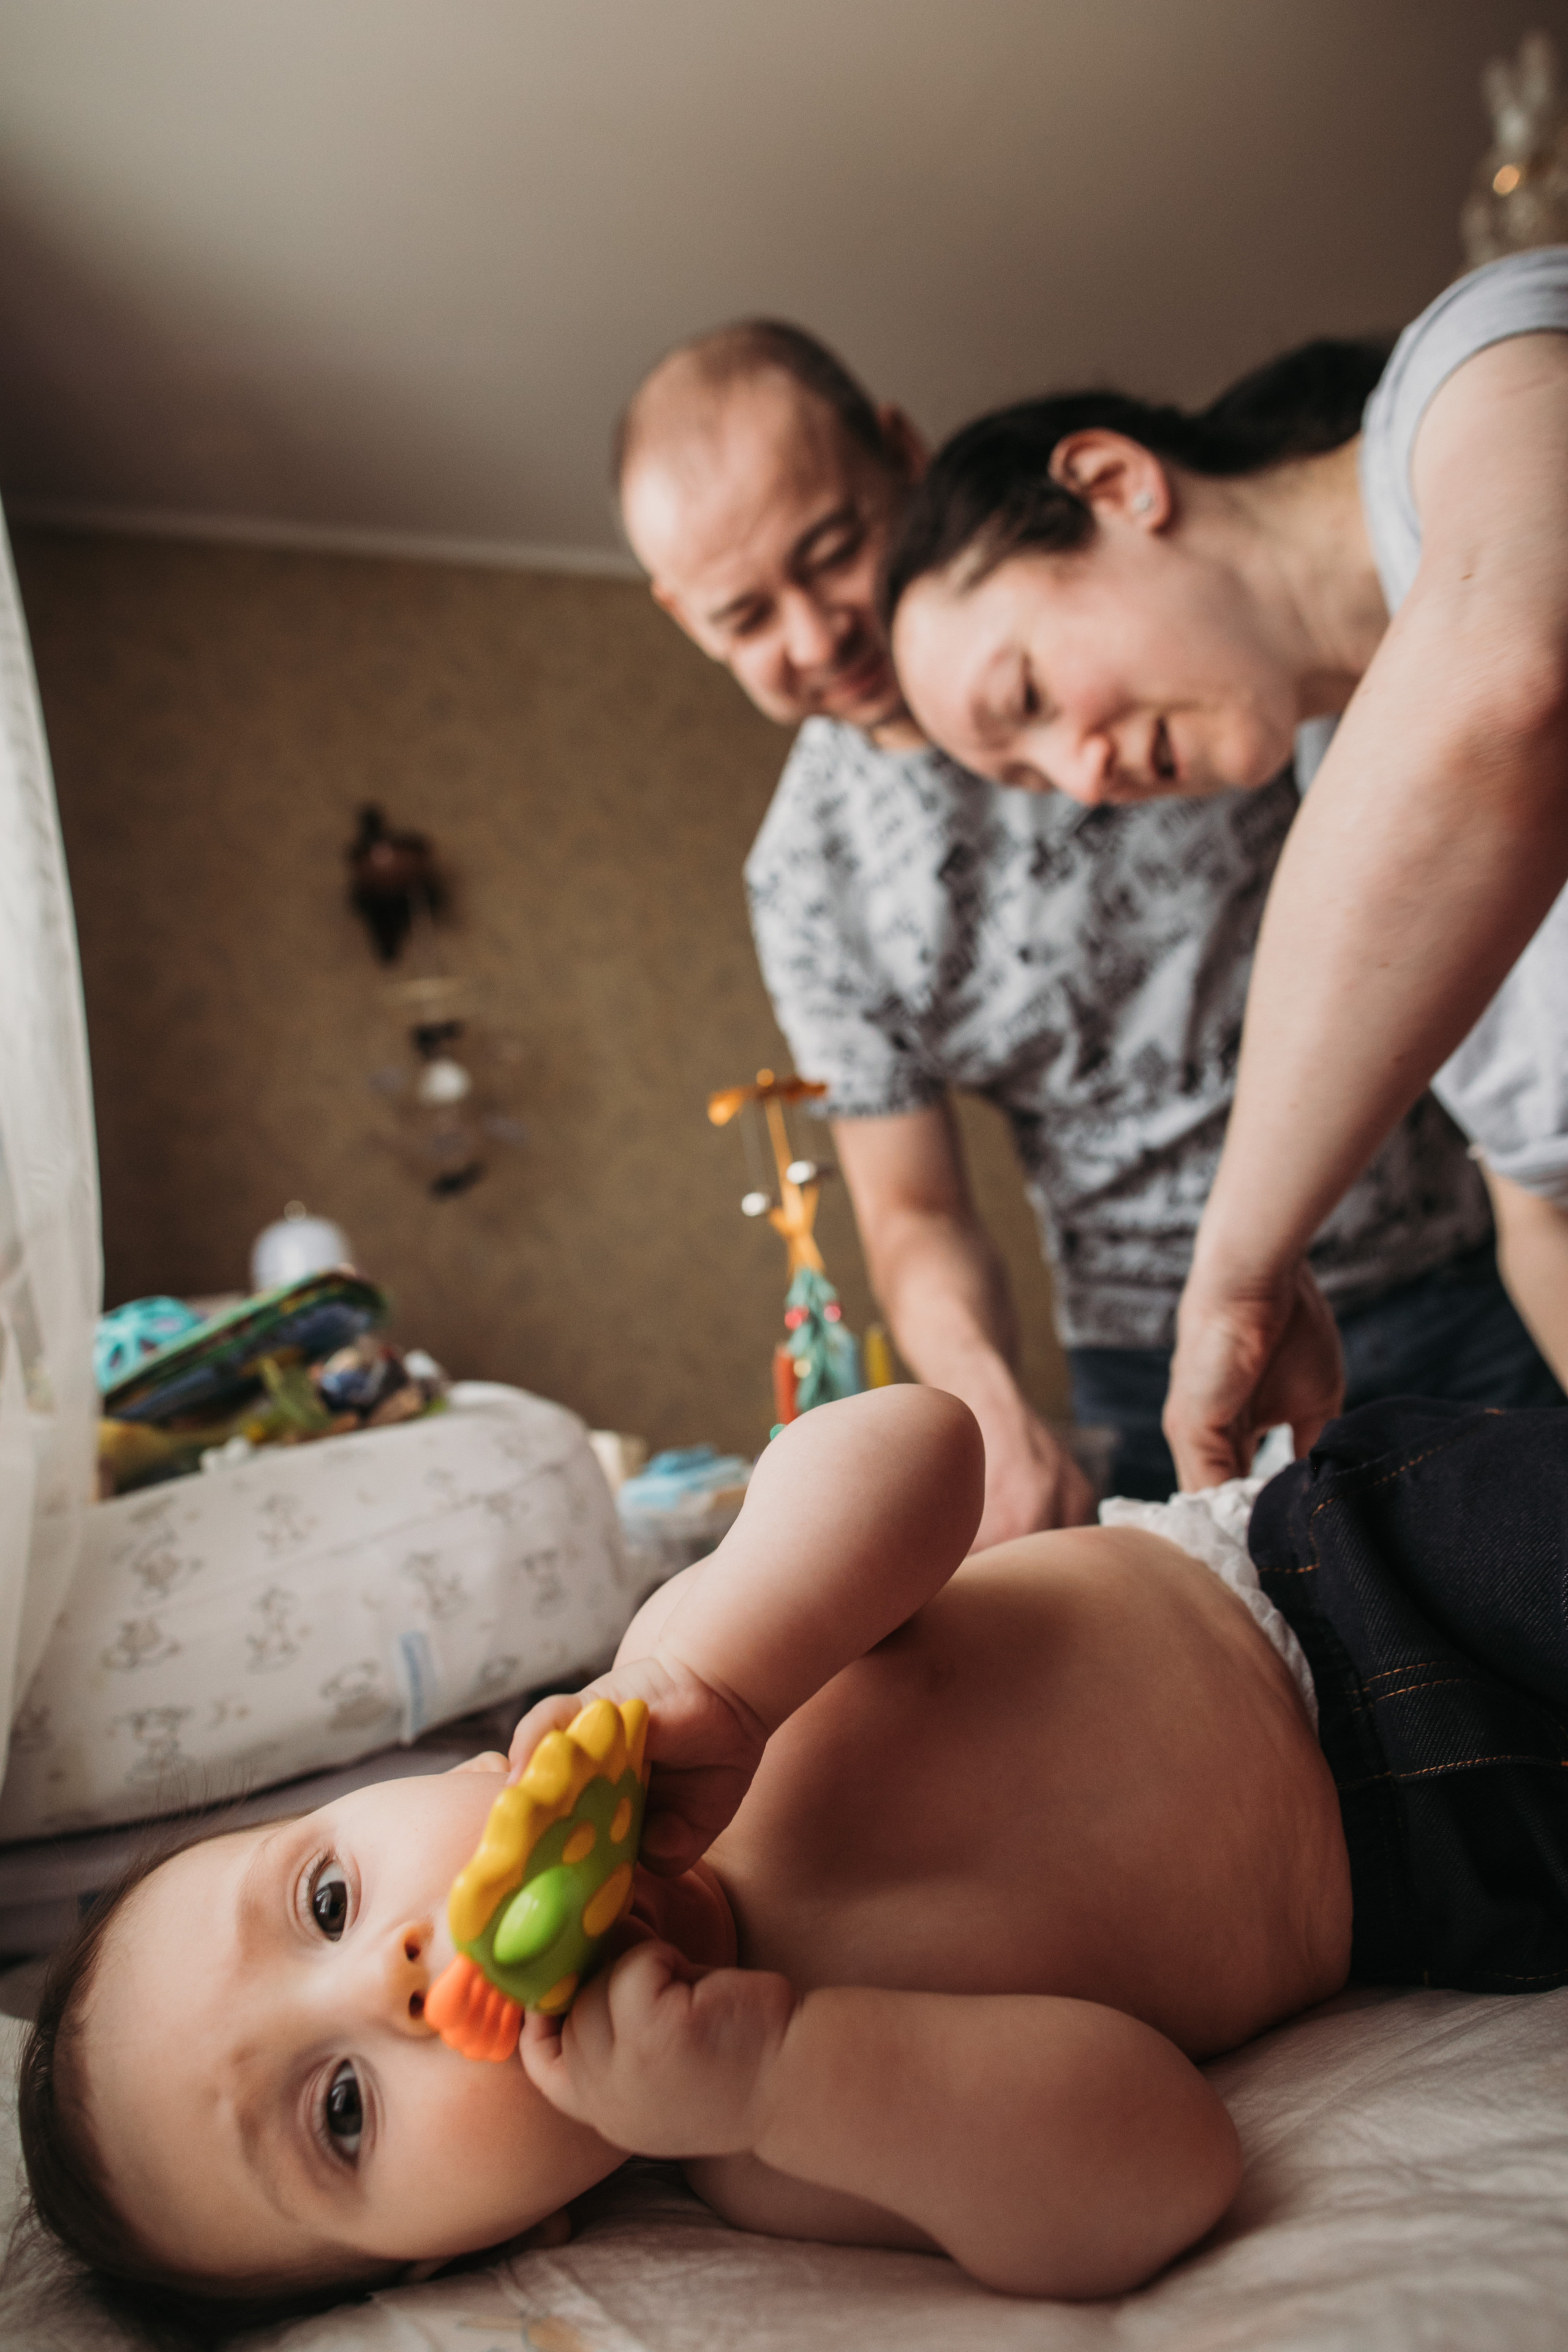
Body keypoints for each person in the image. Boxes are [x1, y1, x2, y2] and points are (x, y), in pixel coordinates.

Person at [19, 1380, 1568, 2339]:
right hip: (1461, 1874)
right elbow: (1160, 2173)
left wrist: (732, 1671)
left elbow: (919, 1444)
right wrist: (773, 2074)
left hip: (1344, 1577)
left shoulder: (681, 1678)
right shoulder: (776, 2151)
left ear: (446, 1776)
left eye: (327, 1902)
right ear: (481, 2246)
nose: (395, 1979)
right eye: (344, 2113)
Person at [616, 320, 1547, 1523]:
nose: (813, 635)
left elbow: (1474, 762)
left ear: (900, 452)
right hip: (1156, 1357)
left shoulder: (1203, 620)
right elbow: (913, 1210)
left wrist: (1251, 1255)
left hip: (1459, 1261)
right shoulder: (807, 881)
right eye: (745, 618)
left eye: (833, 550)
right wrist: (984, 1408)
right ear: (681, 617)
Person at [882, 249, 1568, 1489]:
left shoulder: (1477, 370)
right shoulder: (1335, 779)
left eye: (1027, 694)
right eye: (1029, 775)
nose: (1082, 778)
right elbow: (1538, 1204)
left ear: (1113, 483)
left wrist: (1241, 1262)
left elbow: (1512, 687)